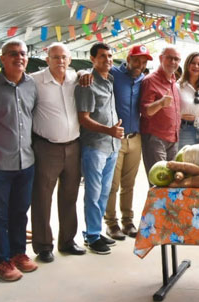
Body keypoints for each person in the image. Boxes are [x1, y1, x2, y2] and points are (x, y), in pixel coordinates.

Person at [0, 40, 39, 281]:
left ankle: (18, 254)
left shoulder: (32, 85)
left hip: (27, 162)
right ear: (2, 58)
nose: (19, 58)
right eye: (13, 54)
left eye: (23, 53)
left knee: (20, 212)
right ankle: (1, 261)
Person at [30, 43, 85, 263]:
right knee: (42, 197)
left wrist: (84, 72)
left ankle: (67, 241)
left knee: (70, 195)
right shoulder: (35, 81)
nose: (60, 61)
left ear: (69, 60)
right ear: (47, 59)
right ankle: (43, 245)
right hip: (46, 147)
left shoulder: (75, 78)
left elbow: (85, 73)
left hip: (73, 146)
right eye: (55, 57)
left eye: (63, 57)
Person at [75, 43, 124, 255]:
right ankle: (92, 236)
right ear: (92, 59)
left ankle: (95, 230)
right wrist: (109, 130)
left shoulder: (110, 80)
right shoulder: (87, 83)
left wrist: (113, 135)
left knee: (105, 192)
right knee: (93, 194)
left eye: (110, 56)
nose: (108, 60)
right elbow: (83, 118)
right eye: (102, 56)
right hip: (95, 146)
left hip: (112, 146)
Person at [105, 44, 152, 241]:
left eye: (143, 62)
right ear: (128, 59)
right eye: (136, 60)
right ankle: (111, 223)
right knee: (112, 185)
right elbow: (93, 72)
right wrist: (83, 72)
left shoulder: (144, 79)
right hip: (115, 138)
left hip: (136, 137)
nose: (139, 65)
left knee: (129, 184)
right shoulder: (113, 73)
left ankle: (127, 221)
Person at [140, 46, 182, 172]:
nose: (173, 62)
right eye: (169, 58)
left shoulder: (173, 80)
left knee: (170, 179)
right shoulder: (150, 80)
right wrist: (161, 103)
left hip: (173, 138)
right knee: (158, 178)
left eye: (176, 59)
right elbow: (146, 111)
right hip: (155, 138)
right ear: (161, 58)